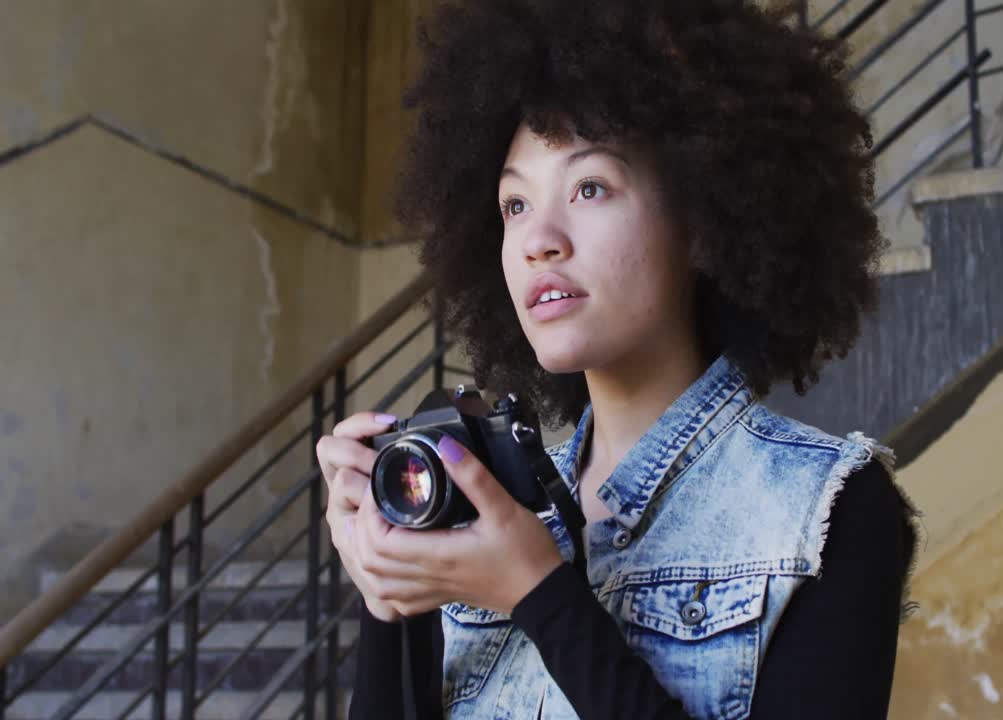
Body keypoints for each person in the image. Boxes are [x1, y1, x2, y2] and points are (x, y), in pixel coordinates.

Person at [315, 0, 922, 717]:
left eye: (590, 187)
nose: (538, 239)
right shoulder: (478, 508)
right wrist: (392, 599)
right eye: (515, 205)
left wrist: (539, 593)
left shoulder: (829, 511)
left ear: (702, 218)